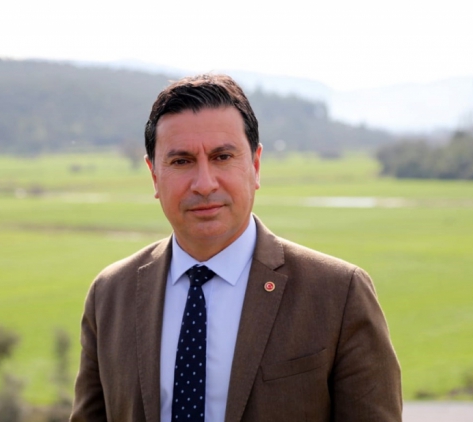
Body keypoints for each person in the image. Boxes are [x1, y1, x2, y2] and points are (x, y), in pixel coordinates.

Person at [70, 74, 402, 422]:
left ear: (255, 166)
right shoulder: (110, 295)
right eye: (181, 161)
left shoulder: (338, 294)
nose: (204, 184)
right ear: (154, 175)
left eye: (222, 156)